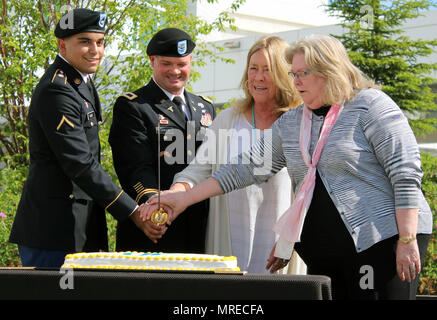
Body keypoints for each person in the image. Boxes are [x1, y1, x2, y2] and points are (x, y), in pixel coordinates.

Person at [147, 34, 433, 300]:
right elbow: (243, 169)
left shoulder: (370, 105)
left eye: (301, 73)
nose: (295, 81)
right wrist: (183, 198)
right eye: (293, 74)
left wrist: (407, 238)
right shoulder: (294, 121)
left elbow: (405, 172)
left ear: (328, 70)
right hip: (327, 254)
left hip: (382, 243)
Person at [9, 8, 148, 268]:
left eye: (100, 42)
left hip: (76, 226)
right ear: (63, 45)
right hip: (54, 231)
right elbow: (80, 163)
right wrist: (132, 211)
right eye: (84, 42)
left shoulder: (80, 81)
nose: (95, 50)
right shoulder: (57, 90)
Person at [160, 36, 304, 274]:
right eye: (253, 68)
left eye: (267, 70)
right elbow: (198, 169)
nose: (258, 77)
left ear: (283, 74)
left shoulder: (299, 123)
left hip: (279, 247)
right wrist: (175, 196)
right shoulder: (228, 120)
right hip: (230, 245)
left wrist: (289, 240)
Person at [109, 27, 216, 253]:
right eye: (167, 63)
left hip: (199, 226)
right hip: (154, 224)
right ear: (152, 61)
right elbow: (134, 167)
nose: (175, 71)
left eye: (181, 64)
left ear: (190, 62)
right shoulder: (134, 106)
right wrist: (156, 204)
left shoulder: (205, 107)